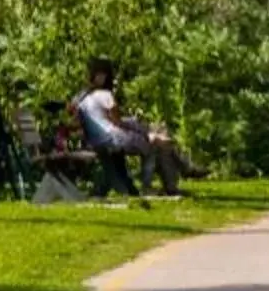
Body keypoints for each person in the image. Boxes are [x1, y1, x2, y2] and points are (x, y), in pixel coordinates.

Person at [73, 60, 191, 195]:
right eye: (101, 74)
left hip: (97, 140)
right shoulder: (105, 95)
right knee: (153, 145)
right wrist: (142, 132)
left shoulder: (81, 98)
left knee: (157, 138)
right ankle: (150, 185)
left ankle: (177, 176)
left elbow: (79, 119)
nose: (102, 77)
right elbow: (117, 122)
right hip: (113, 138)